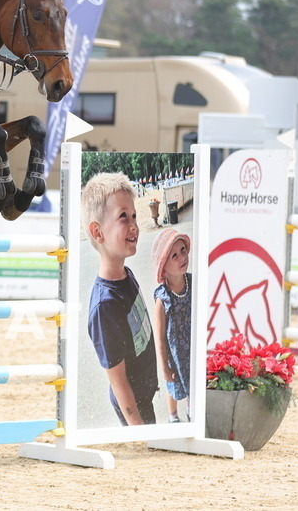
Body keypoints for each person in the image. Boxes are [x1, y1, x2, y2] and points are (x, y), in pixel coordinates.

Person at [83, 172, 159, 426]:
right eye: (123, 217)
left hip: (144, 396)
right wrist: (138, 428)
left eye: (134, 215)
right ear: (98, 232)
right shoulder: (105, 307)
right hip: (133, 407)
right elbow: (118, 381)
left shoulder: (127, 274)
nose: (134, 225)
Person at [150, 228, 192, 423]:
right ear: (163, 269)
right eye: (174, 255)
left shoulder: (193, 282)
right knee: (174, 385)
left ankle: (192, 410)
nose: (181, 257)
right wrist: (164, 367)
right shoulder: (163, 297)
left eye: (182, 250)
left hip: (192, 347)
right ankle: (173, 415)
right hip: (174, 354)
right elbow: (159, 338)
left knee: (193, 380)